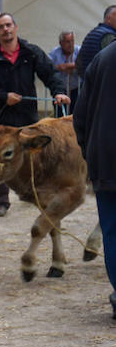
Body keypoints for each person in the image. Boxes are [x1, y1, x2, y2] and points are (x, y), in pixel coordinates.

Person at [0, 12, 70, 217]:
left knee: (33, 158)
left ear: (15, 27)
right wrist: (2, 96)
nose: (6, 30)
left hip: (27, 117)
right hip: (0, 119)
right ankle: (0, 202)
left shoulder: (31, 52)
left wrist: (58, 92)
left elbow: (50, 74)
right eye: (1, 27)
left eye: (8, 25)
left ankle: (32, 192)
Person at [71, 42, 116, 320]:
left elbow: (81, 115)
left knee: (112, 231)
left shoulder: (102, 57)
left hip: (105, 158)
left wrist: (91, 150)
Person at [77, 5, 116, 79]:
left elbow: (78, 64)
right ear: (108, 19)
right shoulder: (109, 37)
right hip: (103, 84)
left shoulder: (93, 33)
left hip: (89, 84)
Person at [49, 30, 81, 102]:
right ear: (61, 43)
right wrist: (60, 67)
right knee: (59, 111)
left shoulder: (79, 50)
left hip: (76, 88)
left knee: (76, 111)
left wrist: (66, 66)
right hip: (60, 89)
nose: (70, 44)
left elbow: (85, 63)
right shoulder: (54, 53)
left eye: (72, 41)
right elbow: (48, 67)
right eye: (67, 42)